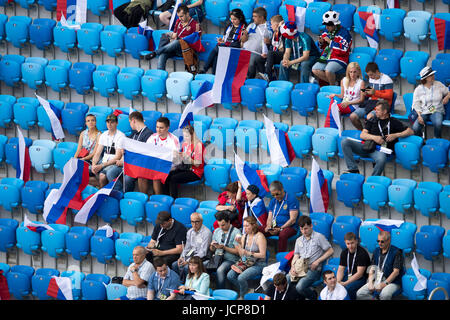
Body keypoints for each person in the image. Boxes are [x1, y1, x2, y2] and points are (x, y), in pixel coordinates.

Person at [341, 100, 414, 176]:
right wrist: (374, 138)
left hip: (380, 150)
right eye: (375, 109)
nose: (375, 111)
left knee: (381, 159)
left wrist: (395, 135)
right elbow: (362, 135)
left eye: (378, 110)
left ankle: (373, 180)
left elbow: (410, 131)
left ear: (384, 111)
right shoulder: (373, 120)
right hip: (367, 147)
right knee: (345, 141)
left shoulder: (393, 122)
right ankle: (353, 169)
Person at [288, 215, 334, 300]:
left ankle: (312, 295)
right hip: (300, 268)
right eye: (301, 229)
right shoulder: (299, 240)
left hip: (313, 270)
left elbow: (330, 251)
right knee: (286, 280)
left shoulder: (319, 237)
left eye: (306, 228)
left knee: (300, 287)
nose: (304, 231)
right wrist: (293, 267)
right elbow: (296, 255)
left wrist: (318, 261)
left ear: (311, 226)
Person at [146, 4, 202, 70]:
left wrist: (194, 34)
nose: (180, 18)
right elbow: (175, 35)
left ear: (187, 14)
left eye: (181, 16)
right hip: (175, 48)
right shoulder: (178, 21)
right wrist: (171, 37)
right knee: (163, 52)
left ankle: (156, 52)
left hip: (186, 50)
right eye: (178, 16)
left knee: (179, 41)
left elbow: (196, 43)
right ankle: (160, 74)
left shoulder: (195, 25)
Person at [227, 216, 268, 299]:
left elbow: (263, 255)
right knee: (230, 275)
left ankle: (242, 296)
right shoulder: (244, 236)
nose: (244, 228)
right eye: (244, 226)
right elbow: (242, 255)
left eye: (247, 226)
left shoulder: (260, 237)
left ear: (253, 225)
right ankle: (247, 290)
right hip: (247, 261)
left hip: (259, 263)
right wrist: (238, 245)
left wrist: (249, 253)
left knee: (241, 278)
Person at [357, 231, 405, 300]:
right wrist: (370, 282)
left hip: (392, 282)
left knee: (384, 294)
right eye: (378, 241)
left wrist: (384, 284)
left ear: (389, 240)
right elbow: (372, 268)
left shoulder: (396, 252)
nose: (379, 243)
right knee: (360, 293)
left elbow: (396, 272)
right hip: (378, 280)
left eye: (382, 241)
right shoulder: (376, 250)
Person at [115, 111, 153, 193]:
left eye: (130, 122)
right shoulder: (134, 133)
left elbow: (144, 155)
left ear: (133, 121)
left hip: (140, 165)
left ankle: (127, 196)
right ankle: (119, 193)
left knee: (127, 179)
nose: (130, 125)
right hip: (129, 164)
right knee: (111, 172)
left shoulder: (148, 134)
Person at [200, 8, 247, 74]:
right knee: (216, 56)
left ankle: (205, 69)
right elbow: (225, 38)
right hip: (225, 46)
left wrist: (244, 35)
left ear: (240, 18)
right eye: (231, 19)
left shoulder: (244, 28)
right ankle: (214, 75)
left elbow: (242, 43)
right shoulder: (229, 26)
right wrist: (221, 40)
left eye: (235, 19)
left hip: (234, 49)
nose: (232, 21)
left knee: (217, 48)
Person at [163, 125, 205, 198]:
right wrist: (177, 156)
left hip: (195, 172)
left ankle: (174, 199)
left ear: (192, 135)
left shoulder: (198, 145)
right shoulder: (185, 144)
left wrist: (187, 157)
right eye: (184, 136)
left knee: (174, 178)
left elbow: (197, 164)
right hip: (186, 168)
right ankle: (166, 198)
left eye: (187, 136)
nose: (185, 138)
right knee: (166, 175)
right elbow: (182, 161)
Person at [312, 11, 352, 86]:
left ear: (335, 25)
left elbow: (344, 49)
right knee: (315, 69)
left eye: (329, 25)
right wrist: (321, 42)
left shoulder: (345, 33)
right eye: (326, 25)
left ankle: (332, 87)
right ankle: (334, 84)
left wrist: (330, 42)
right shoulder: (326, 31)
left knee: (328, 70)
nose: (326, 27)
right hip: (327, 56)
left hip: (340, 58)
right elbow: (323, 46)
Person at [275, 18, 320, 83]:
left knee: (304, 64)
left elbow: (306, 56)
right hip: (298, 55)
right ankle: (283, 84)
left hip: (311, 56)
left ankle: (303, 85)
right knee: (282, 63)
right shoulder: (288, 38)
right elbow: (287, 52)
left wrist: (291, 62)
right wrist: (285, 60)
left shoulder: (305, 38)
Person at [353, 62, 395, 129]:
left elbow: (389, 96)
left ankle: (370, 134)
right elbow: (370, 93)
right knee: (353, 116)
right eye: (369, 75)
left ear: (377, 71)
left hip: (382, 105)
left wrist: (375, 93)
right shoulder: (371, 79)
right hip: (371, 103)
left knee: (369, 117)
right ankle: (363, 133)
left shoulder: (387, 80)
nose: (370, 77)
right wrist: (366, 93)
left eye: (371, 75)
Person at [412, 66, 450, 139]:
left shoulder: (438, 84)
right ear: (425, 78)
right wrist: (419, 116)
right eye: (431, 75)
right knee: (415, 127)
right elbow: (416, 104)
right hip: (424, 111)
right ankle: (421, 139)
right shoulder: (418, 89)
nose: (433, 76)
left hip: (437, 110)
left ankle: (436, 139)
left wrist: (447, 97)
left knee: (438, 123)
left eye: (433, 74)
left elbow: (448, 92)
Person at [172, 212, 212, 282]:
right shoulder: (190, 232)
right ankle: (179, 283)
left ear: (201, 221)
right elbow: (187, 248)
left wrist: (188, 261)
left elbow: (203, 252)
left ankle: (186, 284)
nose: (194, 224)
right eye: (192, 222)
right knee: (175, 265)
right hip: (191, 254)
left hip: (202, 257)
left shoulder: (207, 233)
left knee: (186, 267)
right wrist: (181, 257)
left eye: (197, 222)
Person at [208, 210, 242, 289]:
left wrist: (224, 247)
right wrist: (212, 246)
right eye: (219, 225)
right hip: (217, 257)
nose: (221, 227)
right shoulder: (217, 231)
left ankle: (221, 292)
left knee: (220, 270)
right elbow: (211, 249)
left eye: (223, 225)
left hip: (231, 259)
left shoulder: (236, 233)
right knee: (202, 266)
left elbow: (238, 252)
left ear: (229, 222)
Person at [147, 117, 180, 195]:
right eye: (157, 127)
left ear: (167, 128)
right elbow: (147, 152)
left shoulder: (174, 139)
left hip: (170, 166)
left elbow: (176, 159)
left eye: (161, 128)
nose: (158, 130)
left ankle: (158, 198)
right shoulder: (152, 137)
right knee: (141, 175)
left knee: (156, 174)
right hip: (155, 164)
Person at [329, 62, 367, 130]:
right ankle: (336, 130)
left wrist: (349, 103)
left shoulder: (361, 83)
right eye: (351, 72)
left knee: (334, 109)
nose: (352, 74)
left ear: (358, 72)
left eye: (355, 72)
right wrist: (335, 95)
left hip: (354, 105)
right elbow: (342, 95)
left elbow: (361, 100)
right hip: (345, 103)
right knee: (334, 109)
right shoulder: (343, 80)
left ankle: (334, 130)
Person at [264, 181, 299, 252]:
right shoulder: (273, 201)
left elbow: (293, 220)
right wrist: (268, 226)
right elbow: (270, 217)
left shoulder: (291, 199)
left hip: (289, 227)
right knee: (257, 229)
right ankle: (261, 255)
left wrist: (280, 228)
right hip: (275, 226)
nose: (275, 197)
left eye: (277, 194)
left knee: (283, 234)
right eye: (273, 195)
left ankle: (281, 257)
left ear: (282, 190)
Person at [91, 114, 125, 188]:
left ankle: (102, 194)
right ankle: (97, 189)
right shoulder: (104, 135)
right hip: (103, 161)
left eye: (112, 122)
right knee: (84, 171)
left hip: (113, 163)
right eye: (108, 122)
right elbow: (97, 153)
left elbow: (117, 157)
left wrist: (101, 166)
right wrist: (94, 165)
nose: (109, 124)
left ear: (117, 123)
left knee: (102, 176)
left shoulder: (121, 136)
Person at [336, 232, 370, 300]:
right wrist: (338, 281)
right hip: (349, 275)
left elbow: (359, 274)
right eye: (348, 244)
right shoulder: (344, 252)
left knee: (348, 288)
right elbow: (340, 269)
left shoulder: (362, 253)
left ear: (356, 241)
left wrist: (345, 283)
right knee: (333, 284)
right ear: (345, 243)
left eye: (352, 243)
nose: (350, 246)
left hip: (361, 278)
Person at [241, 7, 272, 79]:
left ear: (261, 17)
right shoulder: (251, 25)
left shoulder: (269, 27)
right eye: (253, 16)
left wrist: (269, 42)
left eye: (255, 16)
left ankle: (249, 79)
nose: (253, 18)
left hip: (257, 53)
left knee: (251, 60)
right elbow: (243, 40)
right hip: (244, 50)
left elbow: (274, 42)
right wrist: (245, 34)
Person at [255, 14, 285, 82]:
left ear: (277, 25)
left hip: (283, 55)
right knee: (259, 59)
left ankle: (267, 75)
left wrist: (280, 27)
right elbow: (273, 47)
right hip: (274, 54)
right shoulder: (275, 33)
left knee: (271, 53)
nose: (271, 26)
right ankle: (266, 78)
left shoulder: (284, 33)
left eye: (272, 24)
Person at [74, 114, 101, 187]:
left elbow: (94, 153)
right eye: (88, 121)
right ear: (86, 123)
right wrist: (74, 159)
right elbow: (79, 149)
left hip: (92, 160)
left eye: (93, 120)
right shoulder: (83, 133)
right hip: (82, 157)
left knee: (79, 170)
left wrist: (83, 159)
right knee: (72, 166)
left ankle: (99, 184)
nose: (91, 122)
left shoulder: (99, 135)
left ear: (95, 122)